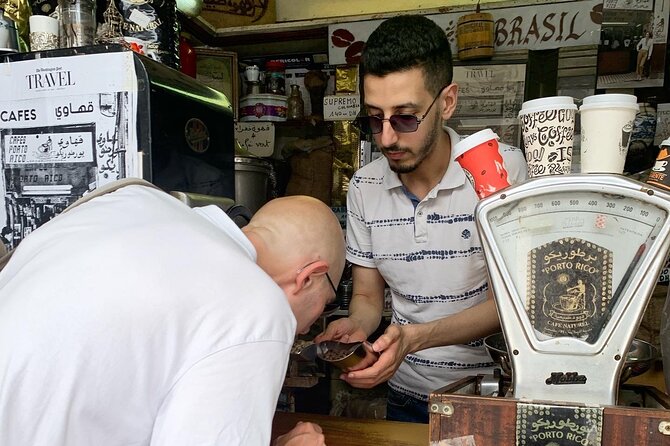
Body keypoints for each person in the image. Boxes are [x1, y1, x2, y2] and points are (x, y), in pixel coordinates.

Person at [0, 180, 344, 446]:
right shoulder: (258, 307)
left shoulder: (132, 199)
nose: (305, 330)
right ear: (309, 275)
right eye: (324, 305)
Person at [315, 15, 527, 423]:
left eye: (406, 117)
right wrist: (356, 328)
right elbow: (368, 298)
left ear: (447, 101)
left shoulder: (499, 171)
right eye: (375, 118)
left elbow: (511, 303)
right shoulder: (364, 186)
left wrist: (416, 339)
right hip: (405, 395)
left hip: (485, 396)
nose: (388, 138)